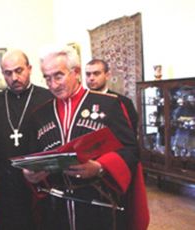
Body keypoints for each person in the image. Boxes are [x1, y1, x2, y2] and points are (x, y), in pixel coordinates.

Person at [22, 45, 149, 230]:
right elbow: (33, 156)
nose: (53, 84)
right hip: (56, 209)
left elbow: (131, 150)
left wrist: (100, 167)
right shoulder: (39, 115)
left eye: (58, 76)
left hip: (99, 206)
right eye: (47, 78)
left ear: (76, 72)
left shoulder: (109, 105)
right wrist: (31, 174)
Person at [0, 49, 53, 230]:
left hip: (40, 183)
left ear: (29, 69)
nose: (14, 77)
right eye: (8, 73)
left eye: (19, 71)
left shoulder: (47, 98)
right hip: (6, 187)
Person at [85, 59, 138, 136]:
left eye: (96, 73)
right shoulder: (81, 101)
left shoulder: (123, 102)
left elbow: (130, 133)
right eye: (88, 74)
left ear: (107, 75)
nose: (91, 78)